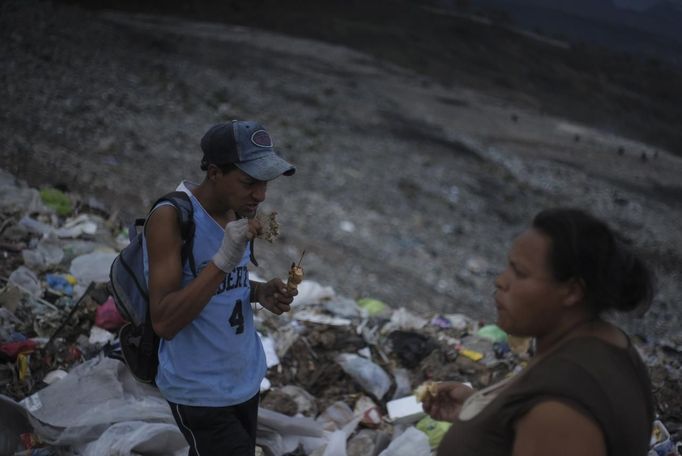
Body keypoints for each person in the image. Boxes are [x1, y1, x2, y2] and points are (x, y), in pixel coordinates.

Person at [423, 207, 655, 456]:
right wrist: (480, 412)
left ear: (572, 291)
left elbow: (552, 423)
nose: (501, 280)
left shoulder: (561, 412)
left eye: (520, 272)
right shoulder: (603, 344)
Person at [144, 120, 297, 455]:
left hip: (243, 379)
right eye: (249, 182)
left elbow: (223, 285)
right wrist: (225, 259)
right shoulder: (170, 218)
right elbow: (164, 321)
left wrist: (258, 292)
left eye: (265, 183)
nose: (261, 194)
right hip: (199, 391)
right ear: (214, 173)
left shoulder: (236, 210)